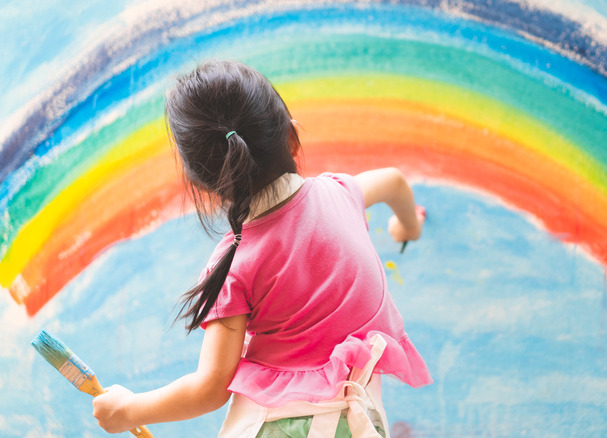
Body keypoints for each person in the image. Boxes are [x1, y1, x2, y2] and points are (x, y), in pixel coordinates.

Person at [92, 60, 432, 437]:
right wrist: (407, 226)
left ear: (203, 183)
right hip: (360, 425)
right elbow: (395, 182)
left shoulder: (235, 263)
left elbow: (209, 388)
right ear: (292, 138)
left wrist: (126, 410)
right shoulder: (341, 192)